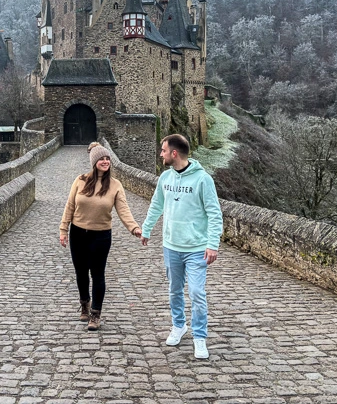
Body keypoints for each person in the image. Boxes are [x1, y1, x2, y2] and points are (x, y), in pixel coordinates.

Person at [140, 134, 223, 359]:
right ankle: (178, 326)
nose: (161, 154)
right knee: (174, 290)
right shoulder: (165, 178)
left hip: (196, 247)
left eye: (163, 151)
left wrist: (212, 244)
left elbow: (215, 214)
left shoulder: (203, 180)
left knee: (196, 292)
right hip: (171, 246)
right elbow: (156, 205)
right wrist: (146, 229)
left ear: (174, 153)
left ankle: (199, 337)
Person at [60, 142, 142, 331]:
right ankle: (84, 304)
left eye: (107, 158)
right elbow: (70, 206)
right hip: (78, 233)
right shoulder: (80, 180)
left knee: (97, 274)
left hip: (101, 235)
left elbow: (124, 210)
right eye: (101, 159)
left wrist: (134, 228)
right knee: (81, 273)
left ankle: (95, 314)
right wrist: (63, 230)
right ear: (94, 161)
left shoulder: (115, 185)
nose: (105, 161)